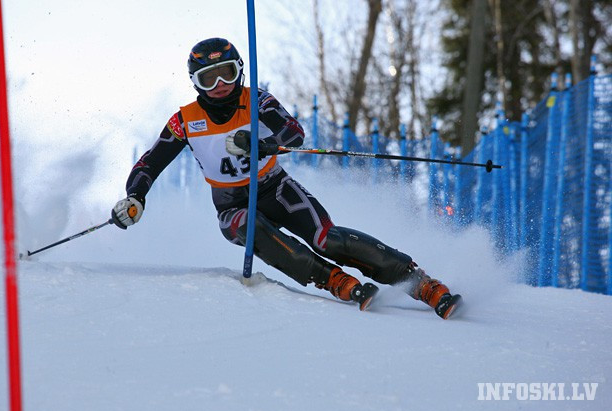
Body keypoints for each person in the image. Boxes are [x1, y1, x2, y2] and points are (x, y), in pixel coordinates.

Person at [111, 37, 462, 319]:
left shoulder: (257, 101)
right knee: (249, 226)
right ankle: (334, 281)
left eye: (227, 73)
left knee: (328, 239)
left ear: (240, 72)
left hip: (276, 188)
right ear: (195, 83)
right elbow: (149, 163)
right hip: (231, 202)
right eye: (208, 78)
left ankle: (420, 283)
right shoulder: (184, 121)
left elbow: (294, 134)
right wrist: (135, 197)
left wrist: (261, 144)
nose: (219, 85)